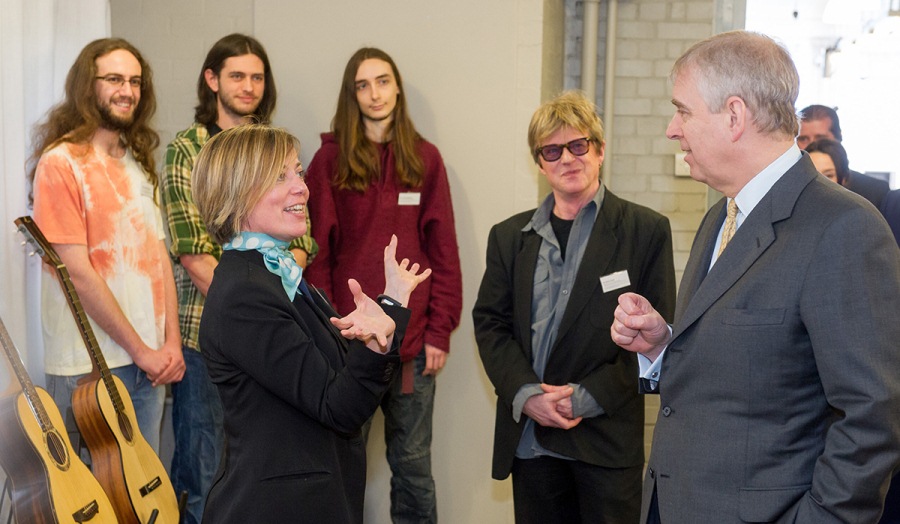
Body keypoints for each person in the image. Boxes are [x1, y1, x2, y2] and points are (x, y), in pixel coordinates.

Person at [610, 31, 900, 523]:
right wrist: (664, 346)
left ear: (735, 116)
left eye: (682, 110)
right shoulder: (720, 218)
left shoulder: (843, 227)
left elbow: (872, 417)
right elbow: (757, 369)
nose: (671, 129)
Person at [191, 124, 430, 523]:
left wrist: (389, 308)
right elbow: (338, 407)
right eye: (280, 176)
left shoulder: (278, 276)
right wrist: (377, 336)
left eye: (297, 173)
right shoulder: (244, 293)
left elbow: (345, 389)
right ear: (234, 193)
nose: (301, 187)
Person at [472, 90, 676, 524]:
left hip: (605, 439)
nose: (567, 158)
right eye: (552, 150)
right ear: (540, 162)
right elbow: (490, 325)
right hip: (532, 440)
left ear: (599, 150)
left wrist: (582, 399)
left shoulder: (646, 231)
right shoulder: (508, 237)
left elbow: (658, 342)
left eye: (578, 145)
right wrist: (526, 395)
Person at [160, 33, 318, 524]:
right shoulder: (187, 150)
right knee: (205, 471)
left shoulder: (273, 148)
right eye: (236, 75)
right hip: (206, 332)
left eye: (256, 76)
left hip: (278, 328)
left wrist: (275, 301)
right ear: (211, 80)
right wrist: (252, 297)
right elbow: (194, 252)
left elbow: (302, 237)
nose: (248, 86)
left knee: (266, 472)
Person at [305, 47, 462, 523]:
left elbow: (444, 253)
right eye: (363, 84)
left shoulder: (426, 160)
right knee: (338, 465)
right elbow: (317, 256)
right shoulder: (329, 160)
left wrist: (439, 332)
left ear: (397, 88)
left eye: (383, 81)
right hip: (348, 344)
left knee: (414, 472)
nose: (375, 94)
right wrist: (331, 327)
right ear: (351, 95)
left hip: (411, 348)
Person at [28, 38, 184, 454]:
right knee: (94, 507)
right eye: (114, 78)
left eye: (135, 81)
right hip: (88, 366)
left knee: (140, 505)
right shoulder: (60, 163)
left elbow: (160, 261)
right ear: (87, 85)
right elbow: (77, 273)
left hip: (148, 365)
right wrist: (143, 351)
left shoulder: (137, 160)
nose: (127, 90)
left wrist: (171, 343)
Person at [797, 104, 890, 208]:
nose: (812, 144)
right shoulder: (786, 187)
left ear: (838, 137)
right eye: (803, 139)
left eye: (820, 137)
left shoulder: (875, 192)